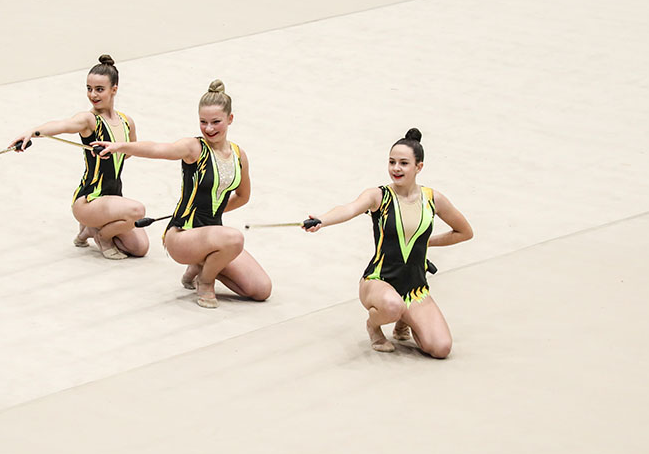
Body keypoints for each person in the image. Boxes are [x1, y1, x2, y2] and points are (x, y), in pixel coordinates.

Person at [95, 80, 271, 308]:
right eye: (203, 122)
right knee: (234, 238)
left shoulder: (239, 155)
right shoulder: (194, 148)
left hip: (212, 237)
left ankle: (201, 265)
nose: (209, 129)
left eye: (216, 122)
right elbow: (158, 149)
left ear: (230, 119)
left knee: (261, 289)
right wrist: (119, 147)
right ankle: (205, 281)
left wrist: (211, 211)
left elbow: (243, 196)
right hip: (182, 235)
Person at [304, 129, 473, 357]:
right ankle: (373, 326)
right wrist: (322, 220)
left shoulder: (433, 199)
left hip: (415, 288)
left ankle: (404, 320)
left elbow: (464, 232)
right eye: (392, 162)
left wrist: (425, 244)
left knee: (441, 348)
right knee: (392, 305)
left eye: (404, 163)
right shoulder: (379, 196)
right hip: (379, 281)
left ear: (419, 167)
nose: (396, 168)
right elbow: (349, 209)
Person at [10, 55, 149, 260]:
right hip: (89, 200)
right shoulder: (89, 120)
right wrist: (33, 132)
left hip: (113, 198)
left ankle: (90, 230)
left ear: (114, 89)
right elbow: (63, 125)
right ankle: (102, 236)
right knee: (137, 210)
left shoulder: (127, 121)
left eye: (99, 89)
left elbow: (129, 152)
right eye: (89, 88)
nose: (93, 94)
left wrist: (114, 151)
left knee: (140, 248)